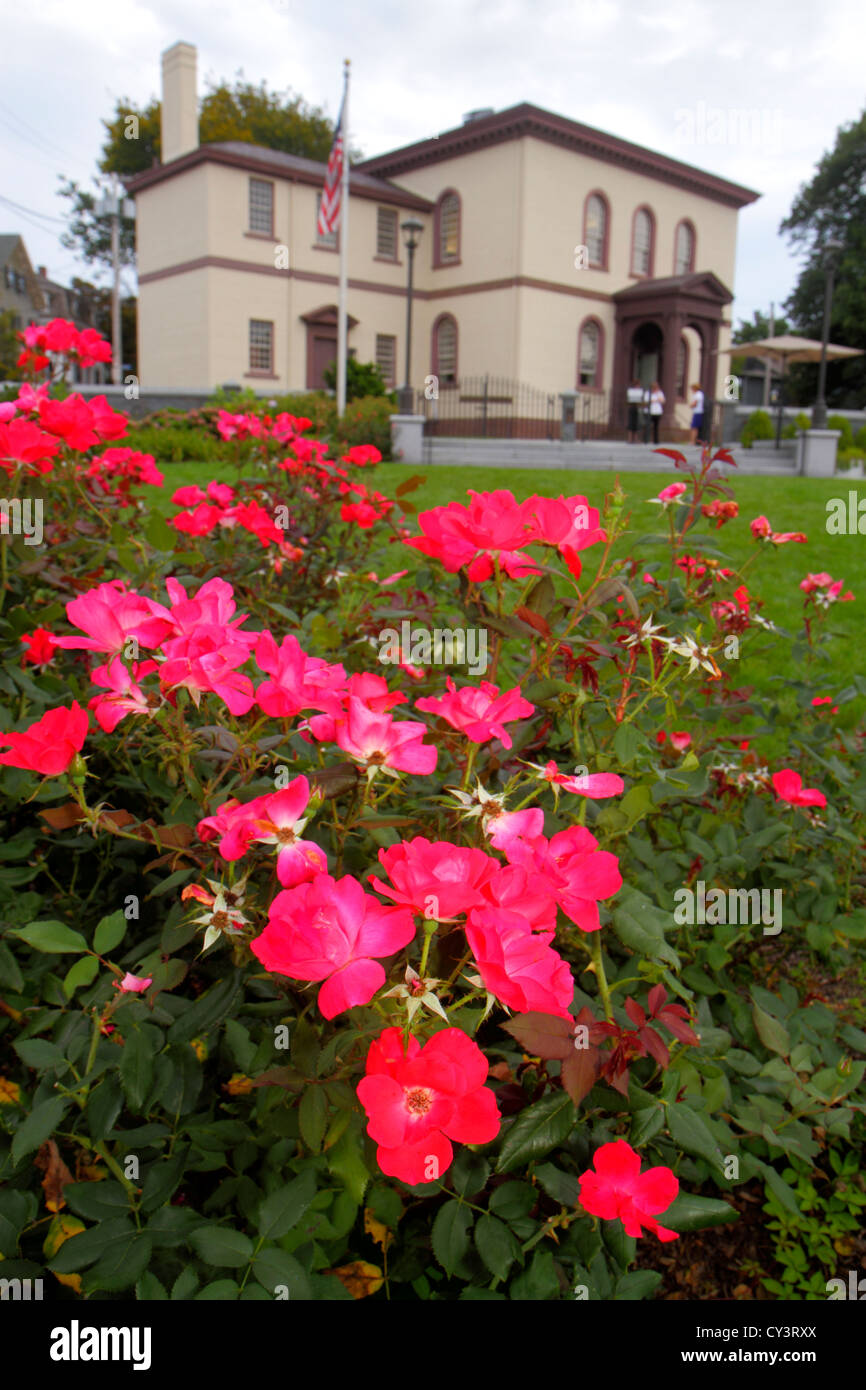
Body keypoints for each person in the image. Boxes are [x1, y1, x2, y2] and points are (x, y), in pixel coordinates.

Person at [626, 379, 643, 443]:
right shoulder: (631, 391)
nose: (639, 387)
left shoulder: (639, 391)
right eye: (638, 385)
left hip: (637, 408)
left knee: (636, 424)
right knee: (631, 423)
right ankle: (630, 439)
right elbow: (629, 399)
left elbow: (640, 399)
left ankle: (635, 439)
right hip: (632, 407)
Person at [648, 381, 665, 445]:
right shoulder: (649, 393)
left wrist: (657, 398)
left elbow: (662, 400)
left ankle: (655, 440)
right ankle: (648, 439)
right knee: (649, 426)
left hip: (657, 411)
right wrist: (657, 400)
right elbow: (648, 400)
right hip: (650, 411)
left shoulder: (660, 393)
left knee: (656, 426)